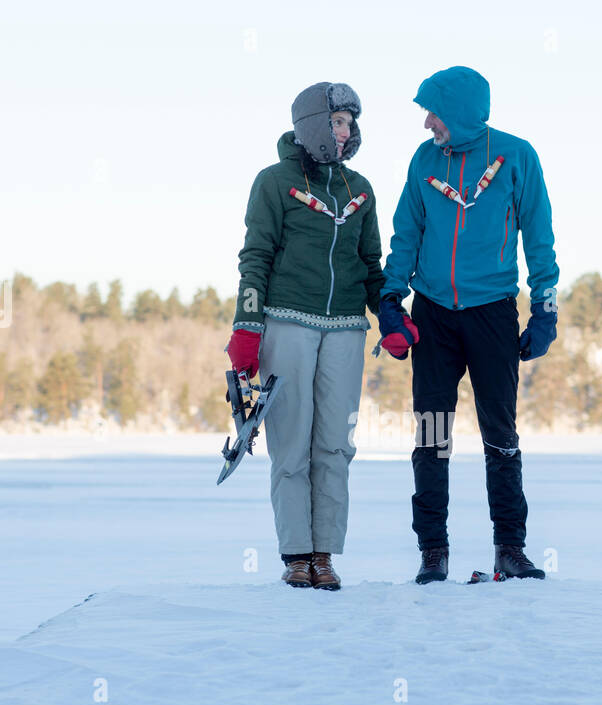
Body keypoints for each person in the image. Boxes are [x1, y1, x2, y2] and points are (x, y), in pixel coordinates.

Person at [377, 66, 560, 584]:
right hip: (433, 314)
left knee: (501, 435)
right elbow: (406, 232)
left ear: (458, 111)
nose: (427, 123)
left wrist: (544, 307)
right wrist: (393, 297)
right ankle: (433, 552)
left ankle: (509, 548)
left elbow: (540, 238)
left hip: (493, 313)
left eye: (432, 112)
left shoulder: (517, 155)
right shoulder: (424, 160)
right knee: (431, 436)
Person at [227, 82, 383, 590]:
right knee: (290, 445)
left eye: (350, 123)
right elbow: (255, 258)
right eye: (337, 121)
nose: (347, 131)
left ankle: (324, 554)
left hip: (344, 328)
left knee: (335, 445)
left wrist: (391, 315)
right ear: (314, 124)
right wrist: (246, 329)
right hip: (287, 322)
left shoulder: (360, 189)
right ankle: (296, 555)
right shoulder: (273, 183)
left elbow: (370, 264)